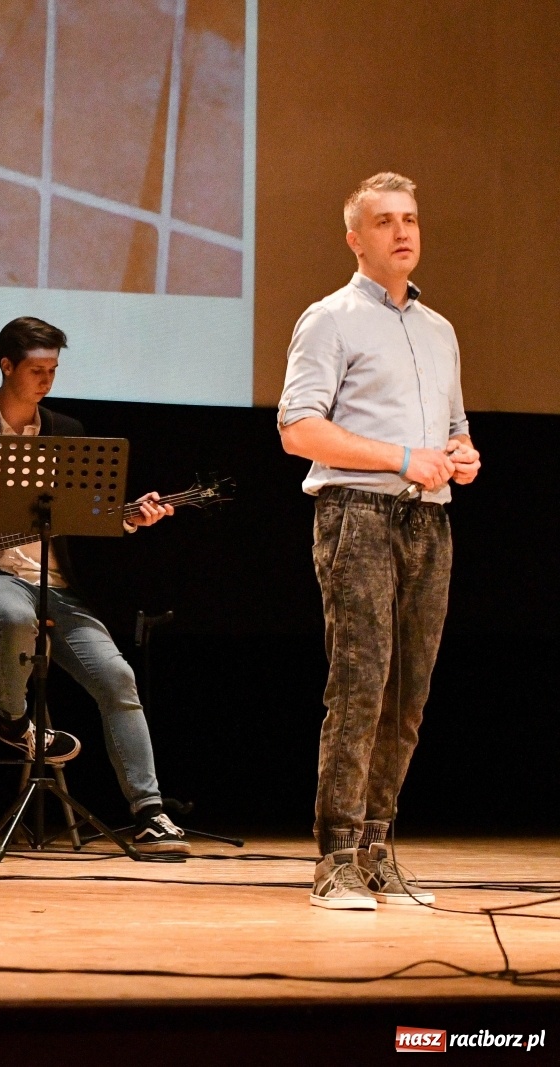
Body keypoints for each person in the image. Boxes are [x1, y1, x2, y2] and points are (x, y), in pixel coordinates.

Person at [0, 317, 187, 855]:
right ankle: (13, 719)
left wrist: (128, 519)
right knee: (16, 616)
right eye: (36, 370)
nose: (47, 380)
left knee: (117, 677)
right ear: (6, 366)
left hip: (56, 583)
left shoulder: (67, 430)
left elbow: (88, 514)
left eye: (53, 369)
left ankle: (149, 812)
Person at [278, 172, 480, 909]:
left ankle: (374, 849)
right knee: (361, 684)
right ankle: (334, 857)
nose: (403, 231)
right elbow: (298, 428)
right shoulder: (329, 318)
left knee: (408, 695)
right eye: (386, 220)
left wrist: (463, 454)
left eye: (411, 219)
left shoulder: (439, 329)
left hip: (430, 519)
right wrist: (400, 458)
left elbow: (454, 429)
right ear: (355, 239)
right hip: (358, 513)